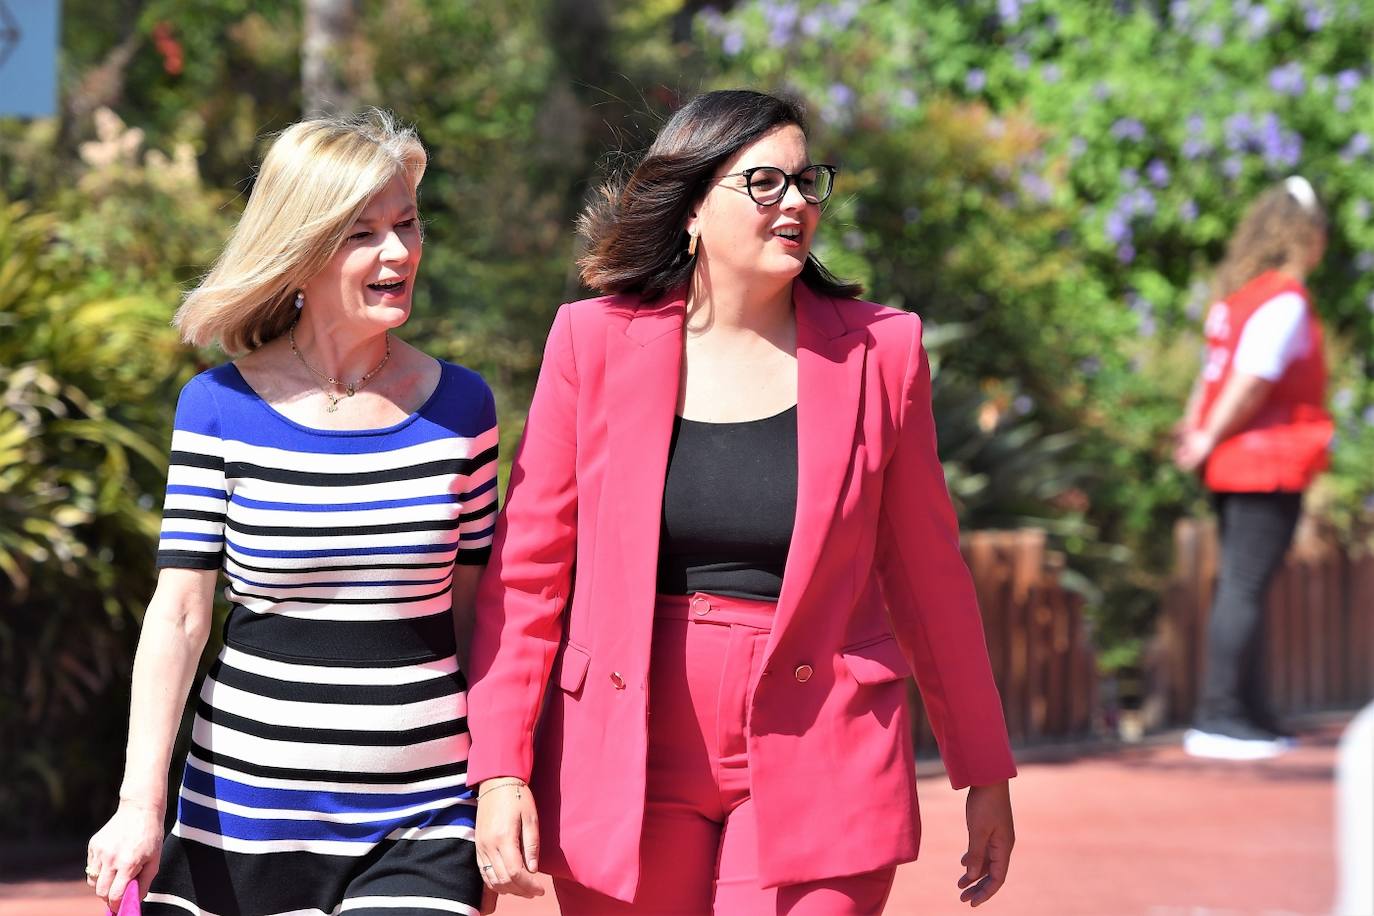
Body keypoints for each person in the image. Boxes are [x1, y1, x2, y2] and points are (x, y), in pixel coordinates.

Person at [467, 89, 1016, 914]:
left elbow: (928, 577)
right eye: (764, 183)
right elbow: (530, 574)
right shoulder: (592, 341)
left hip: (823, 742)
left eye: (806, 182)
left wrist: (982, 766)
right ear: (691, 209)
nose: (795, 202)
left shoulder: (882, 351)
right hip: (625, 750)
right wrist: (501, 767)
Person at [84, 110, 496, 915]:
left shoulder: (463, 409)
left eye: (408, 224)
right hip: (243, 822)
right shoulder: (217, 407)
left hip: (425, 816)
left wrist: (501, 782)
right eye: (364, 233)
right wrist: (140, 803)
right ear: (302, 250)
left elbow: (483, 621)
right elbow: (178, 618)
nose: (400, 253)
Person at [1175, 175, 1332, 761]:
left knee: (1246, 587)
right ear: (1305, 235)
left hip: (1233, 463)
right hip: (1266, 463)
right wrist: (1208, 433)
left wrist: (1197, 432)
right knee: (1243, 587)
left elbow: (1209, 374)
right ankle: (1219, 716)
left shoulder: (1239, 297)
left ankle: (1250, 714)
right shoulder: (1284, 298)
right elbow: (1251, 379)